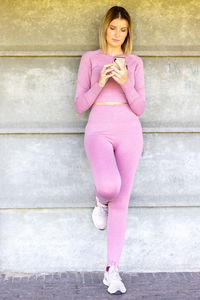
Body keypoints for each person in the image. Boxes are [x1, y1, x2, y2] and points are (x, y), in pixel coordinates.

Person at [74, 5, 145, 295]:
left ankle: (111, 270)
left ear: (128, 33)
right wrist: (100, 82)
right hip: (98, 131)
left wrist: (126, 82)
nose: (117, 34)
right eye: (113, 27)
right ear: (105, 28)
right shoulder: (90, 59)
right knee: (109, 186)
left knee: (122, 202)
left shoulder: (135, 62)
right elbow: (80, 105)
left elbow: (139, 108)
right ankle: (100, 200)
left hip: (130, 132)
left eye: (123, 29)